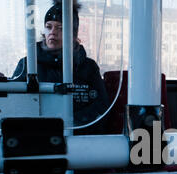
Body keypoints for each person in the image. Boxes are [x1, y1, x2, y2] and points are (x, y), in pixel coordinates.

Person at [12, 0, 110, 135]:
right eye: (49, 26)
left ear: (73, 34)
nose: (53, 32)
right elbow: (13, 103)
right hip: (35, 136)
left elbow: (101, 107)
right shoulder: (28, 65)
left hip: (79, 139)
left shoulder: (88, 67)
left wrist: (71, 124)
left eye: (60, 28)